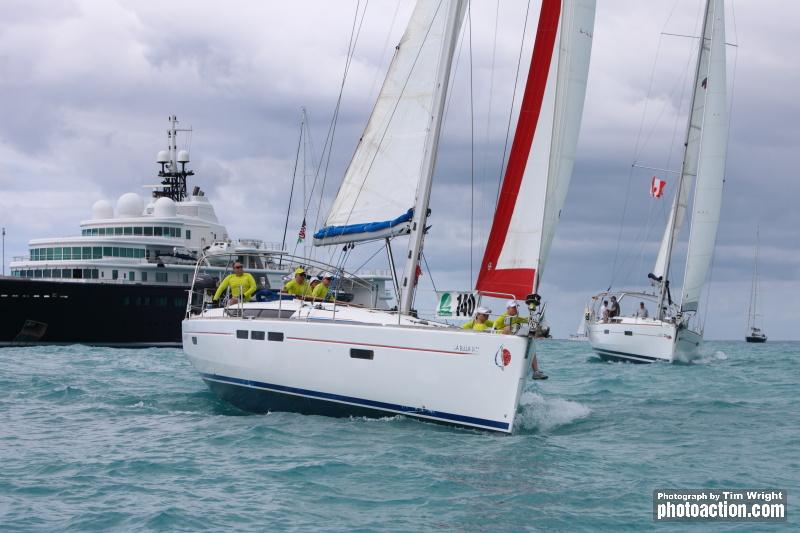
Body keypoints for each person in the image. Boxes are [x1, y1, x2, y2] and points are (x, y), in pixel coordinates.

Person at [494, 300, 547, 380]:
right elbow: (494, 332)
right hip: (502, 343)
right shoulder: (501, 319)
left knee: (531, 345)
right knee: (511, 327)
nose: (516, 309)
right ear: (508, 308)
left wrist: (536, 318)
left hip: (514, 342)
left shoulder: (516, 318)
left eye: (516, 307)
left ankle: (536, 372)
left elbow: (527, 320)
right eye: (514, 307)